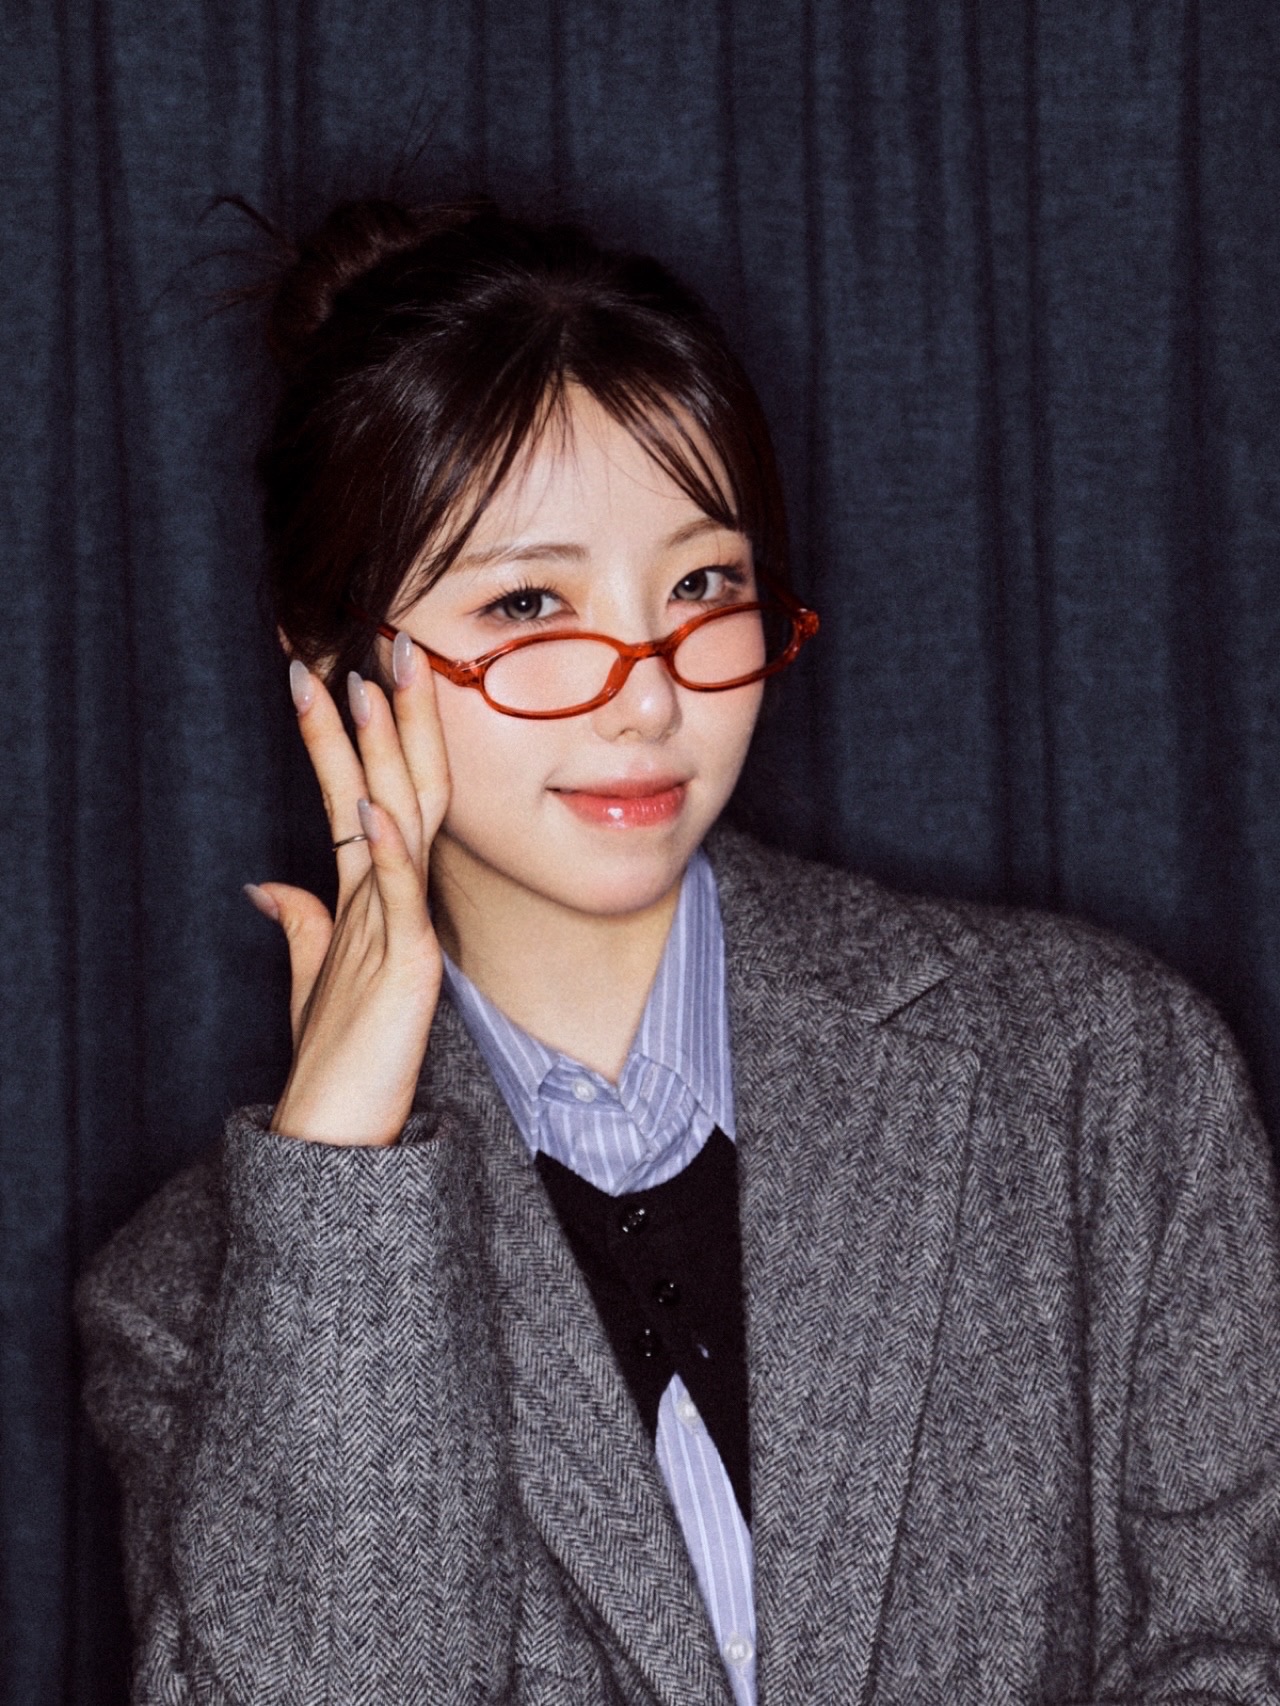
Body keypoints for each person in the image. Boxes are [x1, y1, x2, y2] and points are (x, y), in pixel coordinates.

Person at [77, 197, 1280, 1706]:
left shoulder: (1103, 1073)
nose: (649, 697)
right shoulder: (193, 1296)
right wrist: (342, 1192)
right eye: (530, 603)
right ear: (335, 660)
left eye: (704, 586)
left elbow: (1238, 1649)